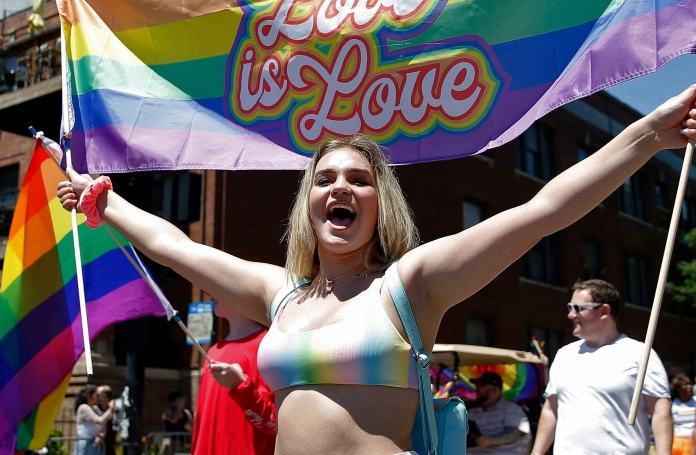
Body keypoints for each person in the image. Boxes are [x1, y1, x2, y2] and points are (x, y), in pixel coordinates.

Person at [57, 84, 696, 455]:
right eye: (325, 178)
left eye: (359, 180)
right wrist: (103, 201)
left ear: (378, 202)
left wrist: (649, 135)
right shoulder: (276, 293)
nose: (341, 188)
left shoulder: (410, 286)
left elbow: (543, 209)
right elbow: (176, 245)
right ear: (308, 205)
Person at [530, 279, 672, 455]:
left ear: (604, 310)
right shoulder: (564, 355)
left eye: (578, 308)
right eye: (570, 307)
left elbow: (660, 411)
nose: (570, 315)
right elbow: (551, 410)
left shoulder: (639, 354)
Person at [192, 301, 276, 454]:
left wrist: (241, 386)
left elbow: (274, 423)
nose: (211, 293)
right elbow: (201, 421)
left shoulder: (269, 346)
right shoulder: (212, 352)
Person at [467, 371, 530, 453]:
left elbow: (515, 433)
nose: (477, 389)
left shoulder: (511, 409)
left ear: (494, 389)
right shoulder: (471, 412)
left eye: (480, 386)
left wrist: (490, 440)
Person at [73, 384, 113, 455]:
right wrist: (110, 409)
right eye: (96, 395)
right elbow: (99, 420)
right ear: (88, 396)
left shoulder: (95, 408)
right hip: (85, 443)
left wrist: (101, 435)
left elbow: (103, 426)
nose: (98, 398)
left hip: (96, 443)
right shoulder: (83, 408)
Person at [670, 374, 696, 455]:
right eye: (686, 385)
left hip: (693, 441)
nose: (689, 387)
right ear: (678, 389)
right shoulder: (673, 405)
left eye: (690, 384)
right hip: (678, 443)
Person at [95, 385, 116, 455]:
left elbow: (122, 424)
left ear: (104, 395)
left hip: (110, 448)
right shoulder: (95, 409)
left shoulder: (116, 409)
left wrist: (120, 441)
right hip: (97, 446)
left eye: (98, 394)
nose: (96, 395)